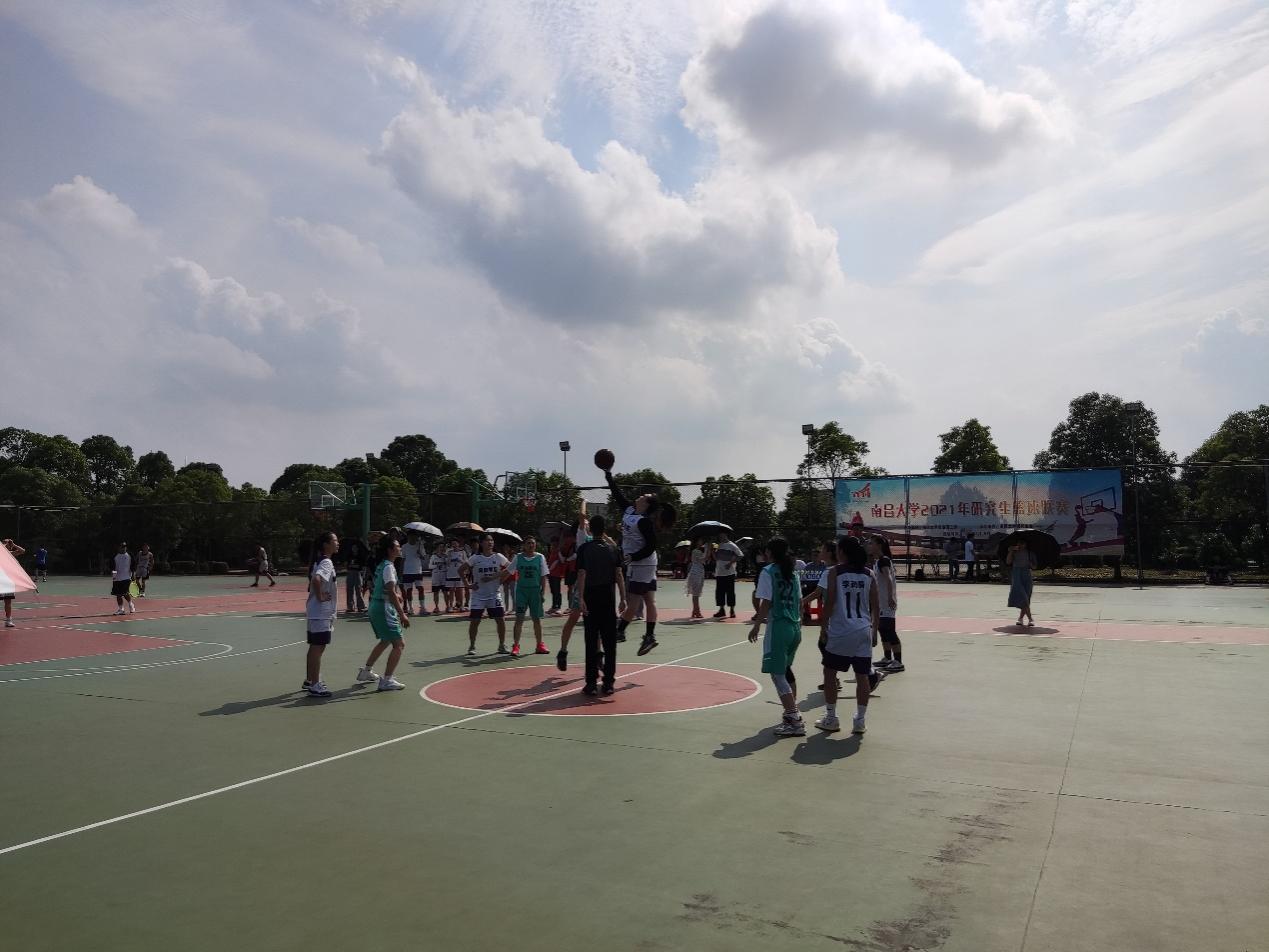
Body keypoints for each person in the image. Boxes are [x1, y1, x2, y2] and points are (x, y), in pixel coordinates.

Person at [605, 469, 675, 656]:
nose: (640, 496)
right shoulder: (630, 511)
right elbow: (618, 496)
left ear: (646, 504)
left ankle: (620, 631)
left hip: (642, 563)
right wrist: (608, 476)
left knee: (634, 601)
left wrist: (634, 557)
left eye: (644, 496)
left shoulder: (644, 522)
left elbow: (651, 545)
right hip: (645, 563)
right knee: (649, 600)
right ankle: (649, 636)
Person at [815, 536, 879, 735]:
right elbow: (876, 606)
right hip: (864, 629)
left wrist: (823, 627)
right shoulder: (869, 573)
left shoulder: (835, 572)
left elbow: (829, 602)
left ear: (842, 552)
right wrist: (874, 631)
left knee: (829, 673)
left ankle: (831, 717)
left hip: (842, 630)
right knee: (862, 676)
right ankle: (860, 721)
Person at [749, 537, 805, 737]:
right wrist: (799, 622)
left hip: (779, 627)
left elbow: (766, 602)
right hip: (795, 626)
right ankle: (790, 713)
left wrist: (757, 625)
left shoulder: (768, 571)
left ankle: (795, 719)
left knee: (777, 674)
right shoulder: (793, 572)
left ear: (770, 552)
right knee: (786, 670)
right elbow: (800, 602)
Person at [576, 514, 627, 696]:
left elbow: (582, 574)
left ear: (590, 530)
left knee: (591, 641)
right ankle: (608, 683)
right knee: (609, 642)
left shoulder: (584, 549)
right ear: (604, 530)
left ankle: (591, 683)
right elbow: (619, 574)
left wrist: (580, 598)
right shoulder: (613, 550)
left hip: (590, 596)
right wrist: (623, 597)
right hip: (608, 597)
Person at [358, 534, 410, 691]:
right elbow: (391, 591)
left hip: (376, 605)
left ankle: (366, 671)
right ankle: (387, 680)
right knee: (399, 644)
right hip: (383, 608)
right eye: (397, 546)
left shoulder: (383, 565)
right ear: (390, 550)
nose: (400, 548)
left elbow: (386, 588)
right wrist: (402, 614)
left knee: (386, 640)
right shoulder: (388, 567)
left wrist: (396, 594)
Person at [302, 531, 340, 697]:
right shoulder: (326, 562)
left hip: (315, 612)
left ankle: (310, 679)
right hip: (321, 613)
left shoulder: (319, 561)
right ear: (326, 544)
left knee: (314, 647)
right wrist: (321, 596)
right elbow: (317, 580)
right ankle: (315, 685)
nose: (338, 543)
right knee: (318, 647)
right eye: (335, 540)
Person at [557, 503, 592, 670]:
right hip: (582, 583)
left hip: (596, 584)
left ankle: (597, 655)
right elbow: (582, 516)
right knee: (574, 617)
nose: (587, 523)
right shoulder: (582, 536)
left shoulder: (597, 539)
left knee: (595, 623)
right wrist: (584, 501)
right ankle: (563, 651)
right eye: (585, 522)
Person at [463, 534, 512, 655]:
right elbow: (460, 570)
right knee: (475, 621)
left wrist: (499, 579)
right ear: (481, 543)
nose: (490, 542)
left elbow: (511, 568)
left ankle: (502, 645)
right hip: (478, 595)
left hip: (494, 594)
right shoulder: (475, 558)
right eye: (487, 540)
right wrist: (467, 585)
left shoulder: (498, 556)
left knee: (500, 619)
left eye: (491, 540)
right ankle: (472, 645)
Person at [868, 535, 902, 672]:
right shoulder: (878, 561)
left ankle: (898, 661)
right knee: (882, 629)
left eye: (872, 543)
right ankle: (887, 658)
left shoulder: (884, 560)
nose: (869, 546)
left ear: (879, 545)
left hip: (887, 603)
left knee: (889, 630)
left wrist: (890, 597)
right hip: (880, 603)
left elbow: (888, 578)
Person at [512, 535, 550, 655]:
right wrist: (496, 579)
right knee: (519, 618)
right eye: (528, 543)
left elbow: (543, 575)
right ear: (524, 545)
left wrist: (542, 592)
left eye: (533, 543)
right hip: (521, 591)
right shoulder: (518, 557)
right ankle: (516, 646)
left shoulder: (540, 557)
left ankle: (539, 645)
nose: (531, 545)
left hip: (535, 591)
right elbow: (508, 571)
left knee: (536, 619)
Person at [1007, 539, 1037, 626]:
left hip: (1027, 574)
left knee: (1026, 598)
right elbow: (1008, 562)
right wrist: (1011, 551)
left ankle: (1020, 618)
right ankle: (1030, 618)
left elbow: (1035, 567)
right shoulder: (1014, 552)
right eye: (1019, 543)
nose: (1020, 545)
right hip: (1017, 574)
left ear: (1026, 544)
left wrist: (1031, 564)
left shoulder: (1030, 553)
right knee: (1022, 596)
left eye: (1022, 543)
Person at [712, 532, 742, 619]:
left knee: (730, 592)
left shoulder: (732, 545)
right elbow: (716, 558)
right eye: (720, 535)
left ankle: (732, 610)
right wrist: (712, 552)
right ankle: (722, 610)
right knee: (719, 592)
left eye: (722, 535)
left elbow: (740, 555)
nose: (721, 537)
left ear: (726, 535)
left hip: (730, 573)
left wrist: (730, 563)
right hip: (719, 573)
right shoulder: (718, 545)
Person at [400, 531, 429, 616]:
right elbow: (402, 559)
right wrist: (400, 572)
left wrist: (420, 553)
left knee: (420, 588)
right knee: (409, 590)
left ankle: (422, 608)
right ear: (408, 537)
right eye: (411, 536)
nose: (413, 537)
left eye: (414, 536)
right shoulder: (404, 546)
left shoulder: (420, 545)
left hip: (417, 571)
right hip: (407, 571)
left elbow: (424, 557)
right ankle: (410, 608)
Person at [2, 538, 25, 628]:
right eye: (5, 543)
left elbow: (22, 551)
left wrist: (13, 544)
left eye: (8, 543)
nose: (8, 544)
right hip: (0, 581)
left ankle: (8, 620)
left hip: (8, 582)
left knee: (8, 601)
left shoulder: (10, 554)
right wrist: (4, 544)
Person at [344, 536, 368, 614]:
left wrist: (353, 566)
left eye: (355, 548)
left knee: (358, 589)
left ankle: (361, 606)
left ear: (357, 548)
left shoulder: (360, 557)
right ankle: (350, 607)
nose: (354, 549)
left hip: (357, 573)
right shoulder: (349, 556)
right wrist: (352, 566)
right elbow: (347, 565)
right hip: (350, 573)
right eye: (353, 548)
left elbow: (361, 566)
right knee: (349, 590)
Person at [110, 542, 136, 616]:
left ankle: (131, 604)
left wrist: (133, 574)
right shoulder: (115, 556)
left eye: (125, 547)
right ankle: (121, 609)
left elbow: (133, 565)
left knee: (125, 593)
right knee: (118, 594)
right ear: (119, 547)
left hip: (126, 578)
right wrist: (113, 575)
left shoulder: (130, 555)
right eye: (122, 547)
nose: (124, 548)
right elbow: (112, 566)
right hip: (117, 578)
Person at [686, 538, 707, 618]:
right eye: (700, 540)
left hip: (699, 571)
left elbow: (705, 560)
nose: (701, 541)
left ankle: (695, 611)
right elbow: (703, 559)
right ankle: (697, 611)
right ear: (696, 542)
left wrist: (707, 550)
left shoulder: (698, 551)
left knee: (696, 593)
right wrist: (707, 550)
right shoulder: (696, 551)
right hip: (696, 571)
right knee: (696, 593)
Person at [546, 536, 565, 615]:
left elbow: (562, 560)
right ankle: (554, 606)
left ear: (557, 543)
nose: (553, 543)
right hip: (551, 574)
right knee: (553, 591)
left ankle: (558, 607)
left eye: (555, 542)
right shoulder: (551, 551)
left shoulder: (559, 551)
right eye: (552, 542)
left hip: (557, 574)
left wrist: (559, 553)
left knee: (557, 591)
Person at [444, 538, 465, 612]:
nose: (454, 545)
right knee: (451, 590)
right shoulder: (449, 552)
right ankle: (450, 606)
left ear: (458, 544)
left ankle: (461, 606)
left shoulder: (462, 552)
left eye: (455, 543)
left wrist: (460, 560)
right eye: (453, 544)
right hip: (451, 574)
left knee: (460, 590)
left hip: (459, 574)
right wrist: (449, 557)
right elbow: (447, 563)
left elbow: (466, 562)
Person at [428, 543, 447, 614]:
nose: (441, 548)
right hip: (436, 576)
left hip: (444, 576)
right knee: (436, 592)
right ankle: (436, 607)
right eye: (440, 547)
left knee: (445, 592)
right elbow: (430, 566)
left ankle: (447, 606)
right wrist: (436, 565)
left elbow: (448, 565)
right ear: (437, 548)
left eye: (443, 547)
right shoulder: (433, 556)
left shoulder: (446, 556)